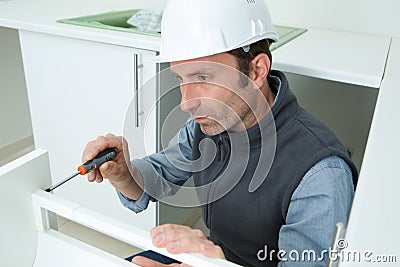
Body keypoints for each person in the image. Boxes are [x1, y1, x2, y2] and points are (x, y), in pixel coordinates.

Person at [82, 0, 358, 266]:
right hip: (210, 257)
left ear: (256, 70)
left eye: (203, 78)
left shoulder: (320, 174)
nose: (186, 103)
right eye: (181, 79)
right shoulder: (207, 126)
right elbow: (161, 175)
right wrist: (124, 173)